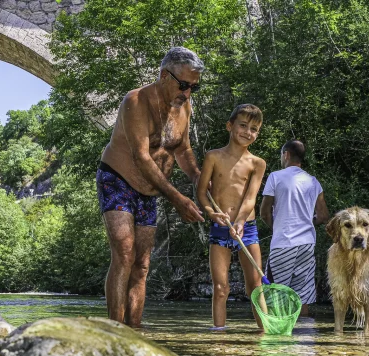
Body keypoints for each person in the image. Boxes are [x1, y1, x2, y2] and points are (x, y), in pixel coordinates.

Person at [96, 47, 205, 326]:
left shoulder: (184, 106)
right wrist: (179, 199)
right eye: (183, 85)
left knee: (142, 264)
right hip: (117, 178)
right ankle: (115, 329)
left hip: (150, 190)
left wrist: (199, 178)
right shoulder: (136, 100)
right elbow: (142, 158)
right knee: (124, 251)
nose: (187, 92)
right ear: (163, 75)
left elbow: (182, 150)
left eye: (194, 87)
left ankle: (134, 331)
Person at [197, 104, 266, 329]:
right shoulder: (213, 157)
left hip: (248, 228)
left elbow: (250, 198)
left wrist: (240, 221)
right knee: (220, 288)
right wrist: (210, 212)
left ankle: (265, 335)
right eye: (243, 125)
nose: (248, 132)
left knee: (255, 287)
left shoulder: (257, 163)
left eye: (254, 129)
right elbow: (201, 193)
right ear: (230, 126)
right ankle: (220, 338)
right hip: (220, 227)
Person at [260, 140, 330, 317]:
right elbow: (322, 216)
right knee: (302, 296)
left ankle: (279, 338)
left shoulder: (275, 177)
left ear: (286, 154)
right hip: (306, 244)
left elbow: (264, 212)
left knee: (276, 293)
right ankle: (304, 339)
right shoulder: (313, 182)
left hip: (283, 243)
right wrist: (305, 222)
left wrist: (275, 226)